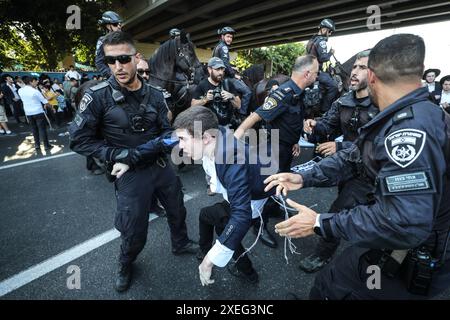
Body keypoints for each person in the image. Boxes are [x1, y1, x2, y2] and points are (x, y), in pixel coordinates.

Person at [264, 34, 450, 300]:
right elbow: (357, 155)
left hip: (410, 256)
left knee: (336, 286)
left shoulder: (409, 131)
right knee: (334, 277)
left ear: (372, 76)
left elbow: (404, 223)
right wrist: (304, 177)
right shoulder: (413, 115)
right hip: (396, 243)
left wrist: (319, 222)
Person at [69, 31, 198, 292]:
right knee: (133, 226)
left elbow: (166, 131)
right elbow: (79, 140)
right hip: (129, 173)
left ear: (136, 58)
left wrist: (167, 142)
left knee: (177, 207)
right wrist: (117, 155)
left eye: (124, 59)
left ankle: (180, 242)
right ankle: (126, 262)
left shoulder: (156, 94)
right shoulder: (97, 96)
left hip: (161, 166)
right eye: (111, 61)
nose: (118, 67)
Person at [171, 106, 276, 285]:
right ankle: (209, 252)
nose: (179, 146)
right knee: (207, 216)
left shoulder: (230, 157)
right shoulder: (216, 137)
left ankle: (248, 272)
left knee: (224, 229)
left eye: (182, 139)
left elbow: (240, 215)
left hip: (250, 204)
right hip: (247, 195)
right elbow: (214, 170)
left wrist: (209, 261)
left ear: (205, 138)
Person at [298, 50, 379, 273]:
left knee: (339, 210)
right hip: (348, 167)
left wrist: (341, 146)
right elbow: (328, 126)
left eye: (362, 68)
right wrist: (314, 127)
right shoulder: (343, 101)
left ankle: (323, 254)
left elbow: (380, 142)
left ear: (375, 73)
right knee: (352, 209)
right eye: (354, 67)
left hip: (373, 173)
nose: (354, 72)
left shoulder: (383, 103)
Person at [235, 55, 319, 248]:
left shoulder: (300, 93)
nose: (317, 76)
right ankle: (259, 225)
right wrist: (235, 138)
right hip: (272, 147)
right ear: (307, 74)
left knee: (280, 183)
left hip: (286, 147)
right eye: (315, 73)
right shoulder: (283, 93)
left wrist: (295, 141)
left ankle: (272, 208)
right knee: (266, 187)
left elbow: (292, 119)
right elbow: (256, 115)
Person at [191, 57, 241, 127]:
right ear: (209, 69)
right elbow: (193, 105)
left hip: (227, 126)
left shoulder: (228, 84)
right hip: (208, 128)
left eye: (222, 69)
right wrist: (205, 99)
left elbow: (238, 105)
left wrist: (231, 96)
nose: (220, 72)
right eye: (217, 69)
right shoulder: (202, 85)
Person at [306, 19, 339, 113]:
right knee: (334, 86)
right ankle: (324, 111)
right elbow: (323, 58)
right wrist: (331, 53)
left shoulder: (312, 40)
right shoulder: (321, 41)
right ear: (324, 30)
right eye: (330, 31)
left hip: (308, 69)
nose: (330, 34)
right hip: (315, 72)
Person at [18, 76, 52, 152]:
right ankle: (46, 145)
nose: (37, 82)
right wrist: (51, 107)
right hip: (38, 112)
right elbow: (44, 101)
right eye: (35, 81)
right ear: (31, 82)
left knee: (34, 129)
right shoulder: (35, 91)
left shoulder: (20, 90)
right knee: (42, 129)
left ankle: (37, 145)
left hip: (28, 113)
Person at [96, 11, 122, 78]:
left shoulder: (124, 39)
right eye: (115, 24)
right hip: (113, 77)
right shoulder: (102, 40)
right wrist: (111, 74)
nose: (119, 26)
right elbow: (99, 62)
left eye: (120, 24)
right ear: (108, 26)